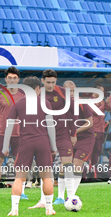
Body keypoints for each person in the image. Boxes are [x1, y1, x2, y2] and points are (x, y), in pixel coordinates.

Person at [2, 76, 57, 216]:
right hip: (42, 141)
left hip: (25, 141)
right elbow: (50, 126)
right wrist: (54, 146)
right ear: (38, 88)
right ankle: (49, 209)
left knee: (19, 177)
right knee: (46, 177)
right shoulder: (45, 103)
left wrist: (5, 146)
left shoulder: (18, 103)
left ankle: (14, 209)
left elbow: (9, 125)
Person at [30, 69, 77, 208]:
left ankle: (71, 197)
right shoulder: (38, 93)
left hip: (63, 134)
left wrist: (73, 133)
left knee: (68, 164)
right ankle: (43, 200)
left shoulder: (63, 92)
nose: (51, 85)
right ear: (43, 81)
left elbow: (74, 112)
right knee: (45, 167)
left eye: (53, 82)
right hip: (45, 134)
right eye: (48, 82)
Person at [0, 66, 25, 198]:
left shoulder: (23, 94)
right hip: (3, 134)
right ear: (6, 79)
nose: (12, 80)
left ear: (18, 79)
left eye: (15, 78)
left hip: (20, 133)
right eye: (10, 78)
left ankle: (22, 192)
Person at [63, 81, 95, 195]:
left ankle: (71, 196)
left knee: (76, 164)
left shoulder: (82, 103)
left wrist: (74, 132)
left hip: (85, 138)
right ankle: (62, 197)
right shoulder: (62, 105)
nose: (71, 93)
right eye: (69, 91)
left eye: (73, 91)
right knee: (65, 167)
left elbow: (89, 123)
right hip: (70, 139)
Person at [90, 83, 109, 176]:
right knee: (93, 149)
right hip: (94, 130)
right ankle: (90, 167)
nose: (102, 93)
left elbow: (109, 108)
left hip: (101, 130)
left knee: (98, 150)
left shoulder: (102, 102)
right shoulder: (90, 101)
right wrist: (105, 103)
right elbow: (95, 111)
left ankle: (94, 167)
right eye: (100, 91)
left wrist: (110, 102)